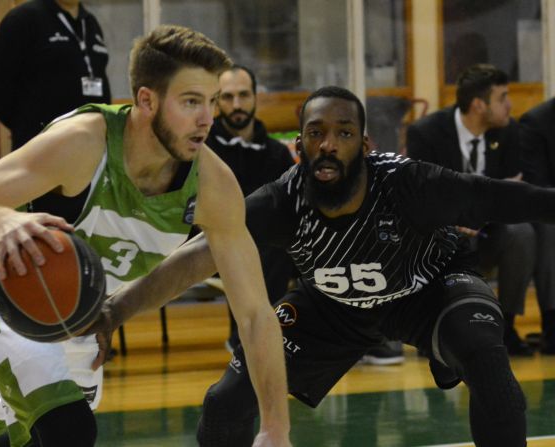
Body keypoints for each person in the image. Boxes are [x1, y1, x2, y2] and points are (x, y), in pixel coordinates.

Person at [89, 86, 554, 446]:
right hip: (332, 306)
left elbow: (504, 197)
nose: (329, 144)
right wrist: (115, 310)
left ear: (365, 145)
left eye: (344, 133)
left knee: (491, 370)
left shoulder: (409, 182)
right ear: (300, 146)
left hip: (430, 290)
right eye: (316, 133)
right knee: (227, 400)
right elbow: (194, 258)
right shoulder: (282, 200)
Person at [0, 25, 290, 447]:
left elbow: (255, 315)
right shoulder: (81, 144)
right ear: (147, 100)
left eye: (212, 101)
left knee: (40, 436)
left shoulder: (213, 185)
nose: (207, 119)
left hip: (77, 310)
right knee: (69, 428)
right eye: (191, 101)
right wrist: (1, 221)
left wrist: (275, 428)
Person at [407, 63, 535, 356]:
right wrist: (456, 214)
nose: (509, 105)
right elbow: (420, 196)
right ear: (479, 105)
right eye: (502, 98)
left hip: (490, 228)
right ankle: (438, 329)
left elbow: (514, 193)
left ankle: (506, 326)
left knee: (522, 233)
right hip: (444, 231)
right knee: (439, 237)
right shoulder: (426, 133)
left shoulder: (509, 131)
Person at [206, 64, 295, 350]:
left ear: (256, 97)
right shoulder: (203, 150)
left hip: (266, 247)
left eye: (243, 95)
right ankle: (249, 339)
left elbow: (291, 205)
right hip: (212, 243)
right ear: (216, 101)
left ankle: (349, 336)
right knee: (253, 247)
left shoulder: (277, 153)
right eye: (227, 97)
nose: (236, 105)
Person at [0, 0, 111, 151]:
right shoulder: (23, 18)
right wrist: (28, 126)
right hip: (41, 147)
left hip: (91, 145)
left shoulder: (90, 22)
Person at [519, 98, 555, 354]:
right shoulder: (537, 122)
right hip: (548, 208)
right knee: (550, 226)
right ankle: (553, 325)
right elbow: (537, 186)